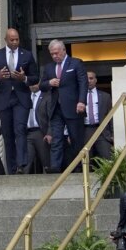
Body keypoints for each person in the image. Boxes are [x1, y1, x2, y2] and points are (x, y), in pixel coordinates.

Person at [0, 27, 39, 175]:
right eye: (12, 40)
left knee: (20, 130)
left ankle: (21, 164)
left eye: (17, 39)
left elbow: (35, 77)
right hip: (4, 99)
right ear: (6, 40)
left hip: (20, 98)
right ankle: (12, 168)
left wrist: (24, 78)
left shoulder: (27, 55)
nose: (15, 42)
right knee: (7, 134)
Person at [42, 38, 84, 171]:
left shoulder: (76, 63)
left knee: (76, 140)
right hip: (56, 109)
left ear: (64, 50)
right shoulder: (48, 67)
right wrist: (49, 83)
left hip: (73, 108)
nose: (55, 56)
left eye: (57, 53)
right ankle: (55, 168)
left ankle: (79, 169)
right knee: (56, 140)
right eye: (52, 54)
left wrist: (81, 101)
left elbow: (83, 83)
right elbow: (41, 85)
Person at [82, 68, 114, 163]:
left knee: (107, 158)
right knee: (86, 161)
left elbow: (111, 116)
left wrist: (112, 133)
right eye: (86, 78)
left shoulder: (105, 96)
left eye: (91, 78)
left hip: (102, 131)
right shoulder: (78, 96)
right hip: (85, 130)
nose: (89, 81)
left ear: (95, 80)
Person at [25, 81, 55, 174]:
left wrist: (50, 133)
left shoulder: (47, 97)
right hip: (27, 133)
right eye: (31, 83)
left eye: (35, 82)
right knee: (26, 162)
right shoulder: (24, 97)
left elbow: (52, 117)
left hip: (41, 133)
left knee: (46, 162)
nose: (32, 85)